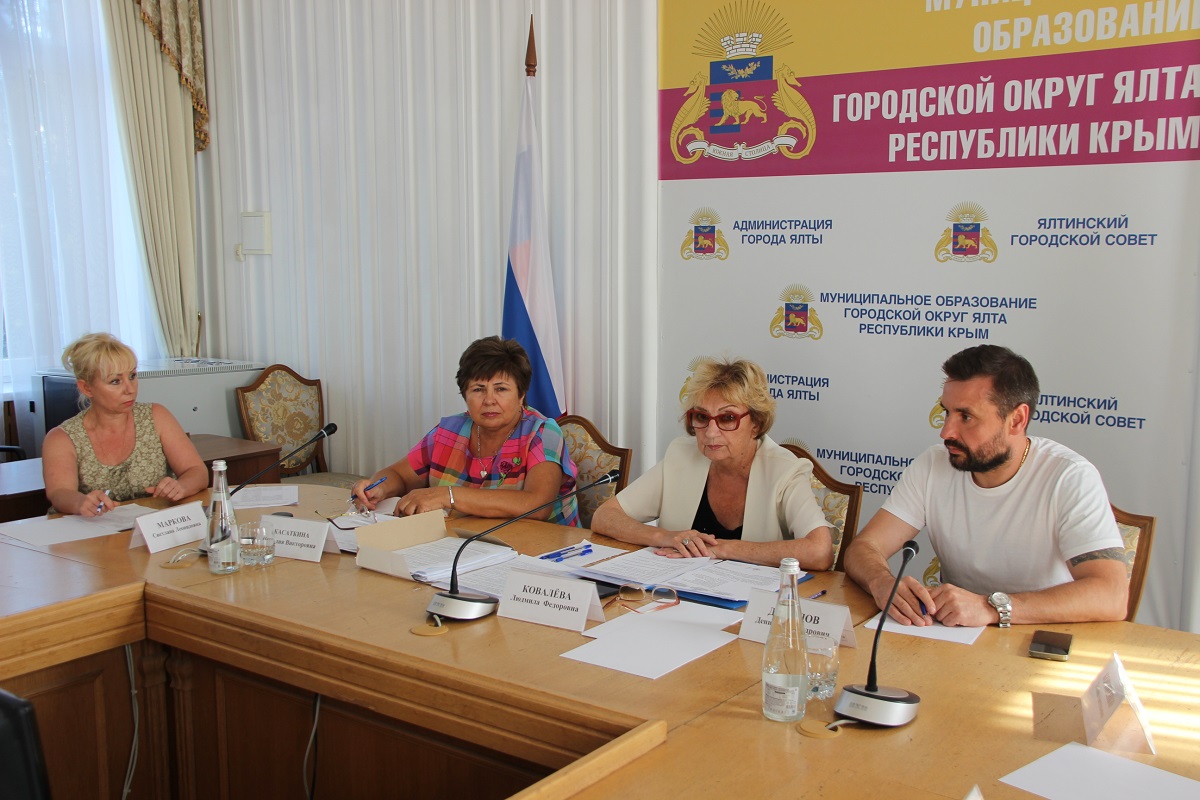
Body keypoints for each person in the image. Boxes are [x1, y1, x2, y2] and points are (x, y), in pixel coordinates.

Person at [845, 344, 1128, 627]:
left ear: (1016, 420)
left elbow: (1111, 595)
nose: (946, 432)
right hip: (952, 637)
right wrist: (882, 582)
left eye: (966, 417)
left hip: (1039, 634)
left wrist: (991, 607)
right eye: (947, 413)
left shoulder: (1070, 477)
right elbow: (864, 547)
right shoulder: (934, 464)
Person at [591, 358, 833, 569]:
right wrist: (664, 537)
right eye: (701, 417)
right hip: (677, 593)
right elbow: (605, 516)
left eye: (727, 418)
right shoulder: (681, 455)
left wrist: (721, 549)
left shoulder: (784, 470)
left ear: (756, 424)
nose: (710, 432)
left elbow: (820, 551)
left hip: (754, 600)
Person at [351, 336, 580, 525]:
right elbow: (399, 475)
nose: (489, 400)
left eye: (501, 389)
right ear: (465, 395)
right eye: (478, 389)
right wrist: (376, 488)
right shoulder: (449, 431)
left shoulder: (542, 433)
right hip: (463, 545)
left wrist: (447, 496)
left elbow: (538, 505)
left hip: (541, 551)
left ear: (521, 395)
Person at [42, 333, 208, 516]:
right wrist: (81, 503)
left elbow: (197, 471)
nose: (130, 389)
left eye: (132, 376)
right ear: (86, 388)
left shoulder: (157, 416)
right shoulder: (61, 437)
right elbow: (59, 493)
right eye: (115, 381)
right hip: (94, 528)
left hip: (153, 525)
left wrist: (181, 486)